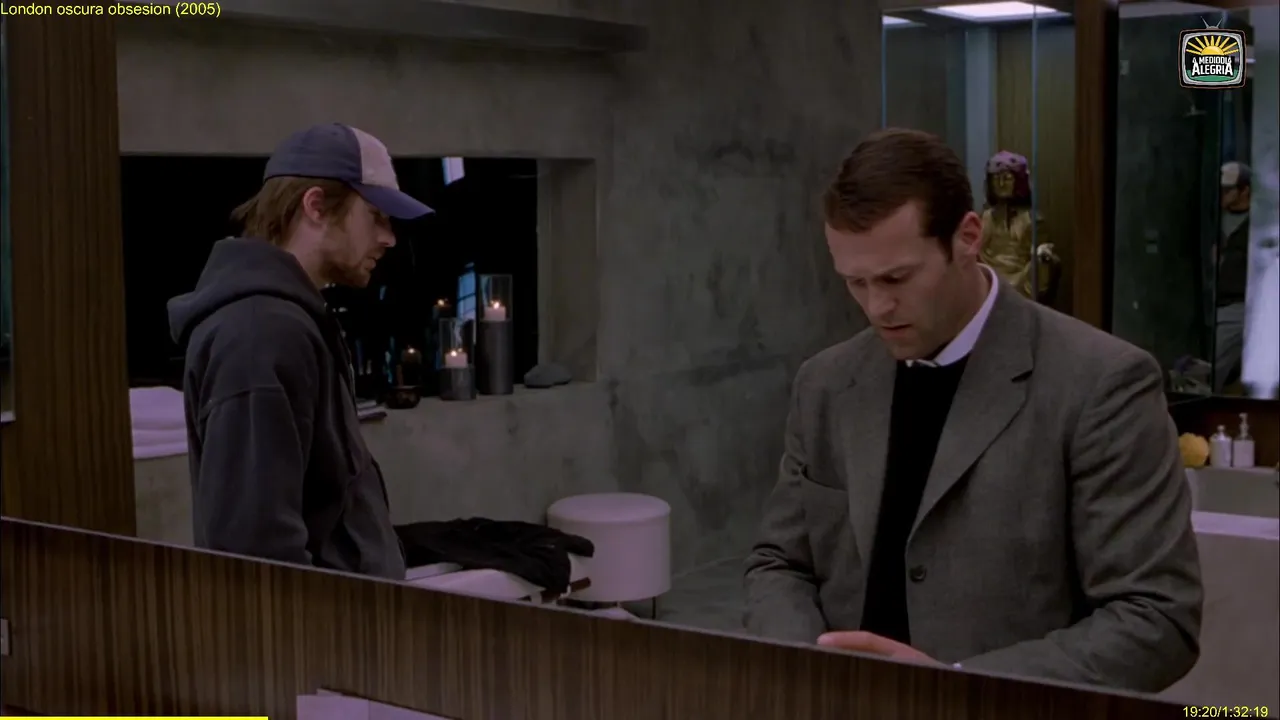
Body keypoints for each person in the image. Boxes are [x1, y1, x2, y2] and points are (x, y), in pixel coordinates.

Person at [743, 128, 1203, 692]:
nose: (877, 306)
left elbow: (1156, 620)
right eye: (855, 283)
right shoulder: (825, 383)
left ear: (967, 237)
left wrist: (957, 687)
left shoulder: (1100, 384)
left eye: (896, 278)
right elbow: (780, 564)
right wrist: (809, 669)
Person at [168, 123, 433, 579]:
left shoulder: (288, 320)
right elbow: (255, 551)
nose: (389, 238)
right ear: (315, 206)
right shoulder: (260, 334)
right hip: (316, 621)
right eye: (375, 216)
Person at [1214, 161, 1252, 392]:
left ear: (1244, 190)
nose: (1222, 195)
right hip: (1215, 303)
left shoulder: (1257, 225)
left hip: (1240, 304)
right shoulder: (1214, 219)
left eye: (1228, 190)